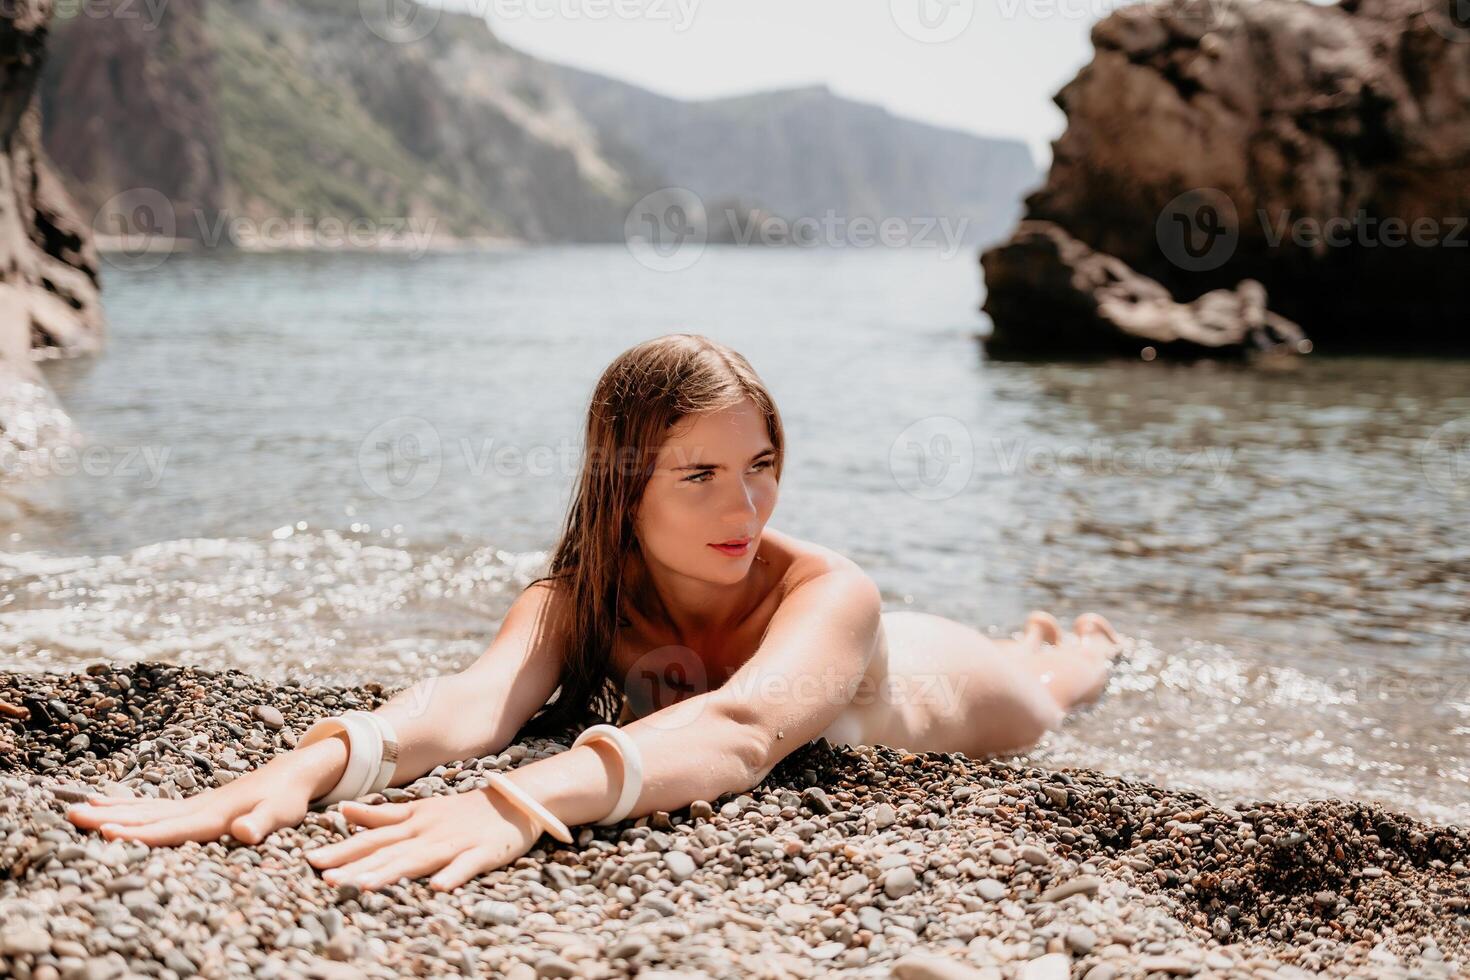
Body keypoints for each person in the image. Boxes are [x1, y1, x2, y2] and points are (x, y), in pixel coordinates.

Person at [65, 334, 1121, 893]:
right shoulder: (580, 594)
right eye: (698, 473)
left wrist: (519, 803)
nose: (744, 506)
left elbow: (742, 730)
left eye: (760, 465)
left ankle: (1069, 644)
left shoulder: (829, 590)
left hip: (950, 685)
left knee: (1054, 682)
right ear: (626, 483)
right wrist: (310, 764)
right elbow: (476, 700)